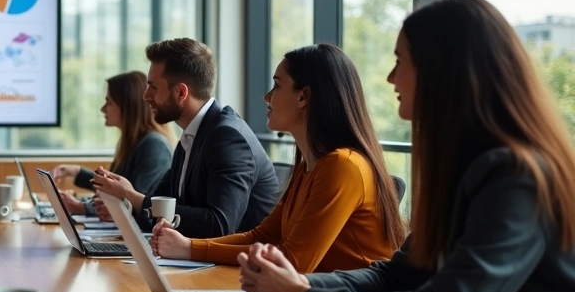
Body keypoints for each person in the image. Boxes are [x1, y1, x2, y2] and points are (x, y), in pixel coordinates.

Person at [239, 0, 575, 292]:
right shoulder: (466, 168)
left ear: (441, 70)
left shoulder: (516, 177)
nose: (390, 78)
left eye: (400, 62)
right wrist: (295, 285)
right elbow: (398, 275)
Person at [148, 44, 403, 272]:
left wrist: (188, 249)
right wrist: (187, 246)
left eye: (277, 85)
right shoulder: (309, 166)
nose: (267, 97)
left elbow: (293, 261)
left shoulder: (342, 165)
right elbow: (262, 236)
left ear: (303, 97)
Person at [91, 38, 280, 237]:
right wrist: (124, 206)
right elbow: (160, 207)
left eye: (153, 87)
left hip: (240, 256)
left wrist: (131, 196)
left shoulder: (227, 137)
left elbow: (218, 225)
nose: (146, 96)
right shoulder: (191, 136)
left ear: (181, 92)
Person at [51, 71, 176, 216]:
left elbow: (131, 202)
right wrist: (76, 172)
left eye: (109, 102)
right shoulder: (133, 142)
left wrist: (82, 207)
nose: (103, 109)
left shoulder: (154, 146)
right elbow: (114, 190)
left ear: (128, 107)